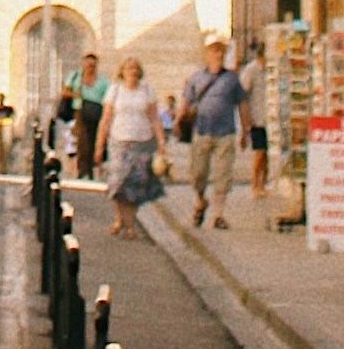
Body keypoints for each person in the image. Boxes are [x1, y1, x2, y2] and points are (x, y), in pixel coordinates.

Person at [173, 37, 247, 227]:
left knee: (223, 174)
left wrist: (246, 130)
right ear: (206, 54)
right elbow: (186, 102)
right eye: (214, 51)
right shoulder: (197, 78)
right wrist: (178, 121)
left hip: (225, 133)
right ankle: (200, 200)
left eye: (221, 51)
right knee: (198, 173)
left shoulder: (232, 79)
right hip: (202, 130)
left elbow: (242, 104)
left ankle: (218, 214)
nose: (218, 55)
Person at [100, 51, 167, 234]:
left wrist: (161, 140)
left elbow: (154, 118)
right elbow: (106, 118)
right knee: (119, 183)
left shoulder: (147, 91)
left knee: (136, 185)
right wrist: (99, 146)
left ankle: (130, 224)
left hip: (142, 141)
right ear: (122, 71)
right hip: (119, 140)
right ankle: (119, 219)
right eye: (129, 68)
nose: (133, 72)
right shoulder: (114, 90)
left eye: (136, 68)